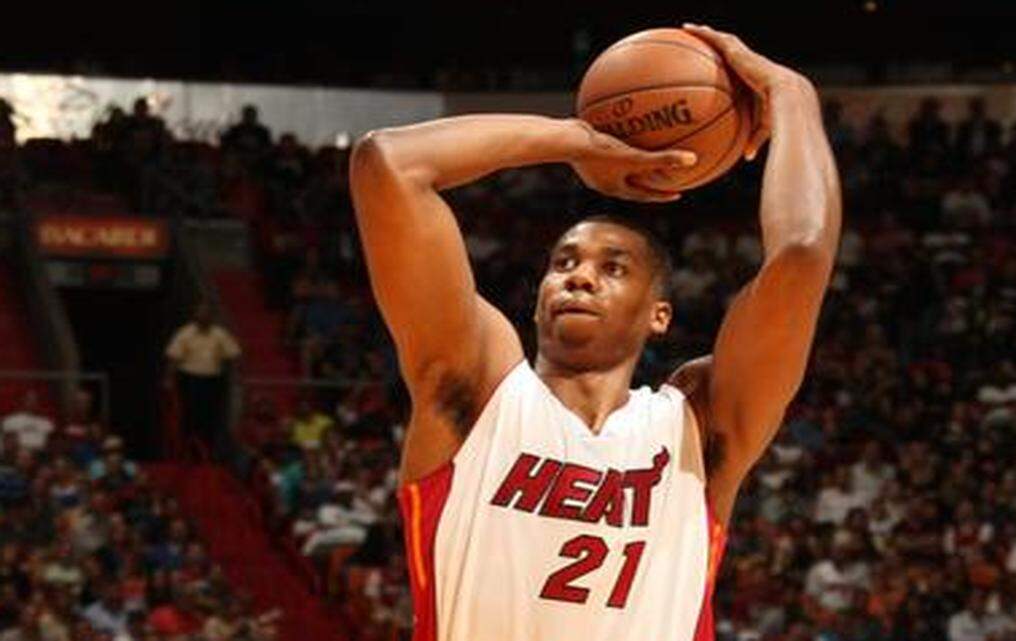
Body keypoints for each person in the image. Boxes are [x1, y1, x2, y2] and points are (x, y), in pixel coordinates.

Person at [349, 23, 839, 641]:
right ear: (536, 301)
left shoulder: (699, 423)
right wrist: (575, 140)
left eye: (613, 268)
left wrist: (792, 93)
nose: (579, 277)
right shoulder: (478, 390)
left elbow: (801, 256)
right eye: (563, 263)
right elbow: (388, 164)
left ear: (660, 314)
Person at [164, 304, 241, 457]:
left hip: (213, 380)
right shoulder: (184, 333)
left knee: (211, 415)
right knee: (189, 414)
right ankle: (187, 449)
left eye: (206, 314)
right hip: (190, 379)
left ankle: (209, 449)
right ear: (195, 316)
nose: (203, 317)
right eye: (200, 314)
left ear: (211, 317)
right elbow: (173, 358)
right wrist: (168, 379)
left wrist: (235, 376)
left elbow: (233, 355)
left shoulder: (220, 334)